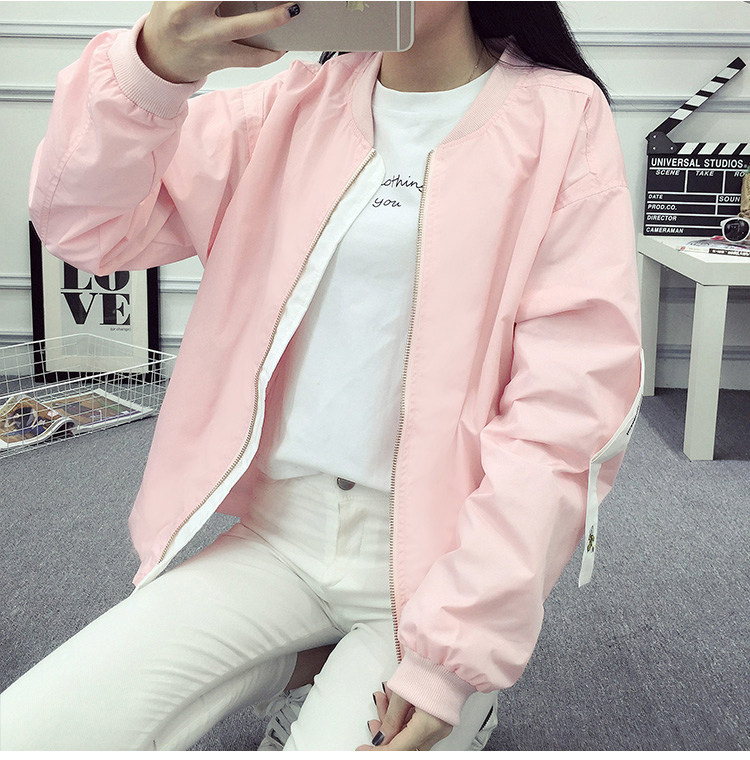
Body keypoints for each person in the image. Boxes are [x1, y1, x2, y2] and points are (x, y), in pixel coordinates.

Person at [0, 0, 644, 751]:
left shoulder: (560, 116)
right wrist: (151, 73)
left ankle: (444, 698)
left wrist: (455, 657)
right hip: (279, 539)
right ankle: (311, 660)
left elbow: (565, 409)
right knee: (31, 735)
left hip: (436, 562)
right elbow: (86, 229)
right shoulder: (289, 108)